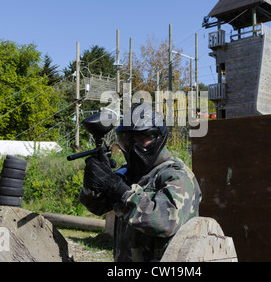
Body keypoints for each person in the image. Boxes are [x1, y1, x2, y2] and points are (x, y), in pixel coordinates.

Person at [79, 104, 202, 262]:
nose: (133, 147)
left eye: (143, 139)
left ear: (158, 138)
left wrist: (118, 189)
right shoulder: (129, 173)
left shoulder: (176, 175)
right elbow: (97, 206)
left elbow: (164, 222)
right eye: (127, 141)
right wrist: (93, 182)